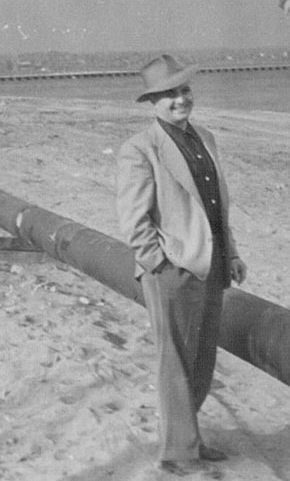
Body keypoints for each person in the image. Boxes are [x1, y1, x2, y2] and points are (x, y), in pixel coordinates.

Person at [116, 54, 247, 476]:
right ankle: (176, 453)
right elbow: (134, 220)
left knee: (202, 359)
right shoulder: (140, 148)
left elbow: (215, 207)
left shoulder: (205, 137)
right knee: (174, 362)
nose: (179, 100)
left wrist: (233, 253)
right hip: (172, 270)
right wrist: (159, 265)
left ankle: (190, 438)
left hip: (212, 264)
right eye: (169, 94)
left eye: (184, 91)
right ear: (152, 102)